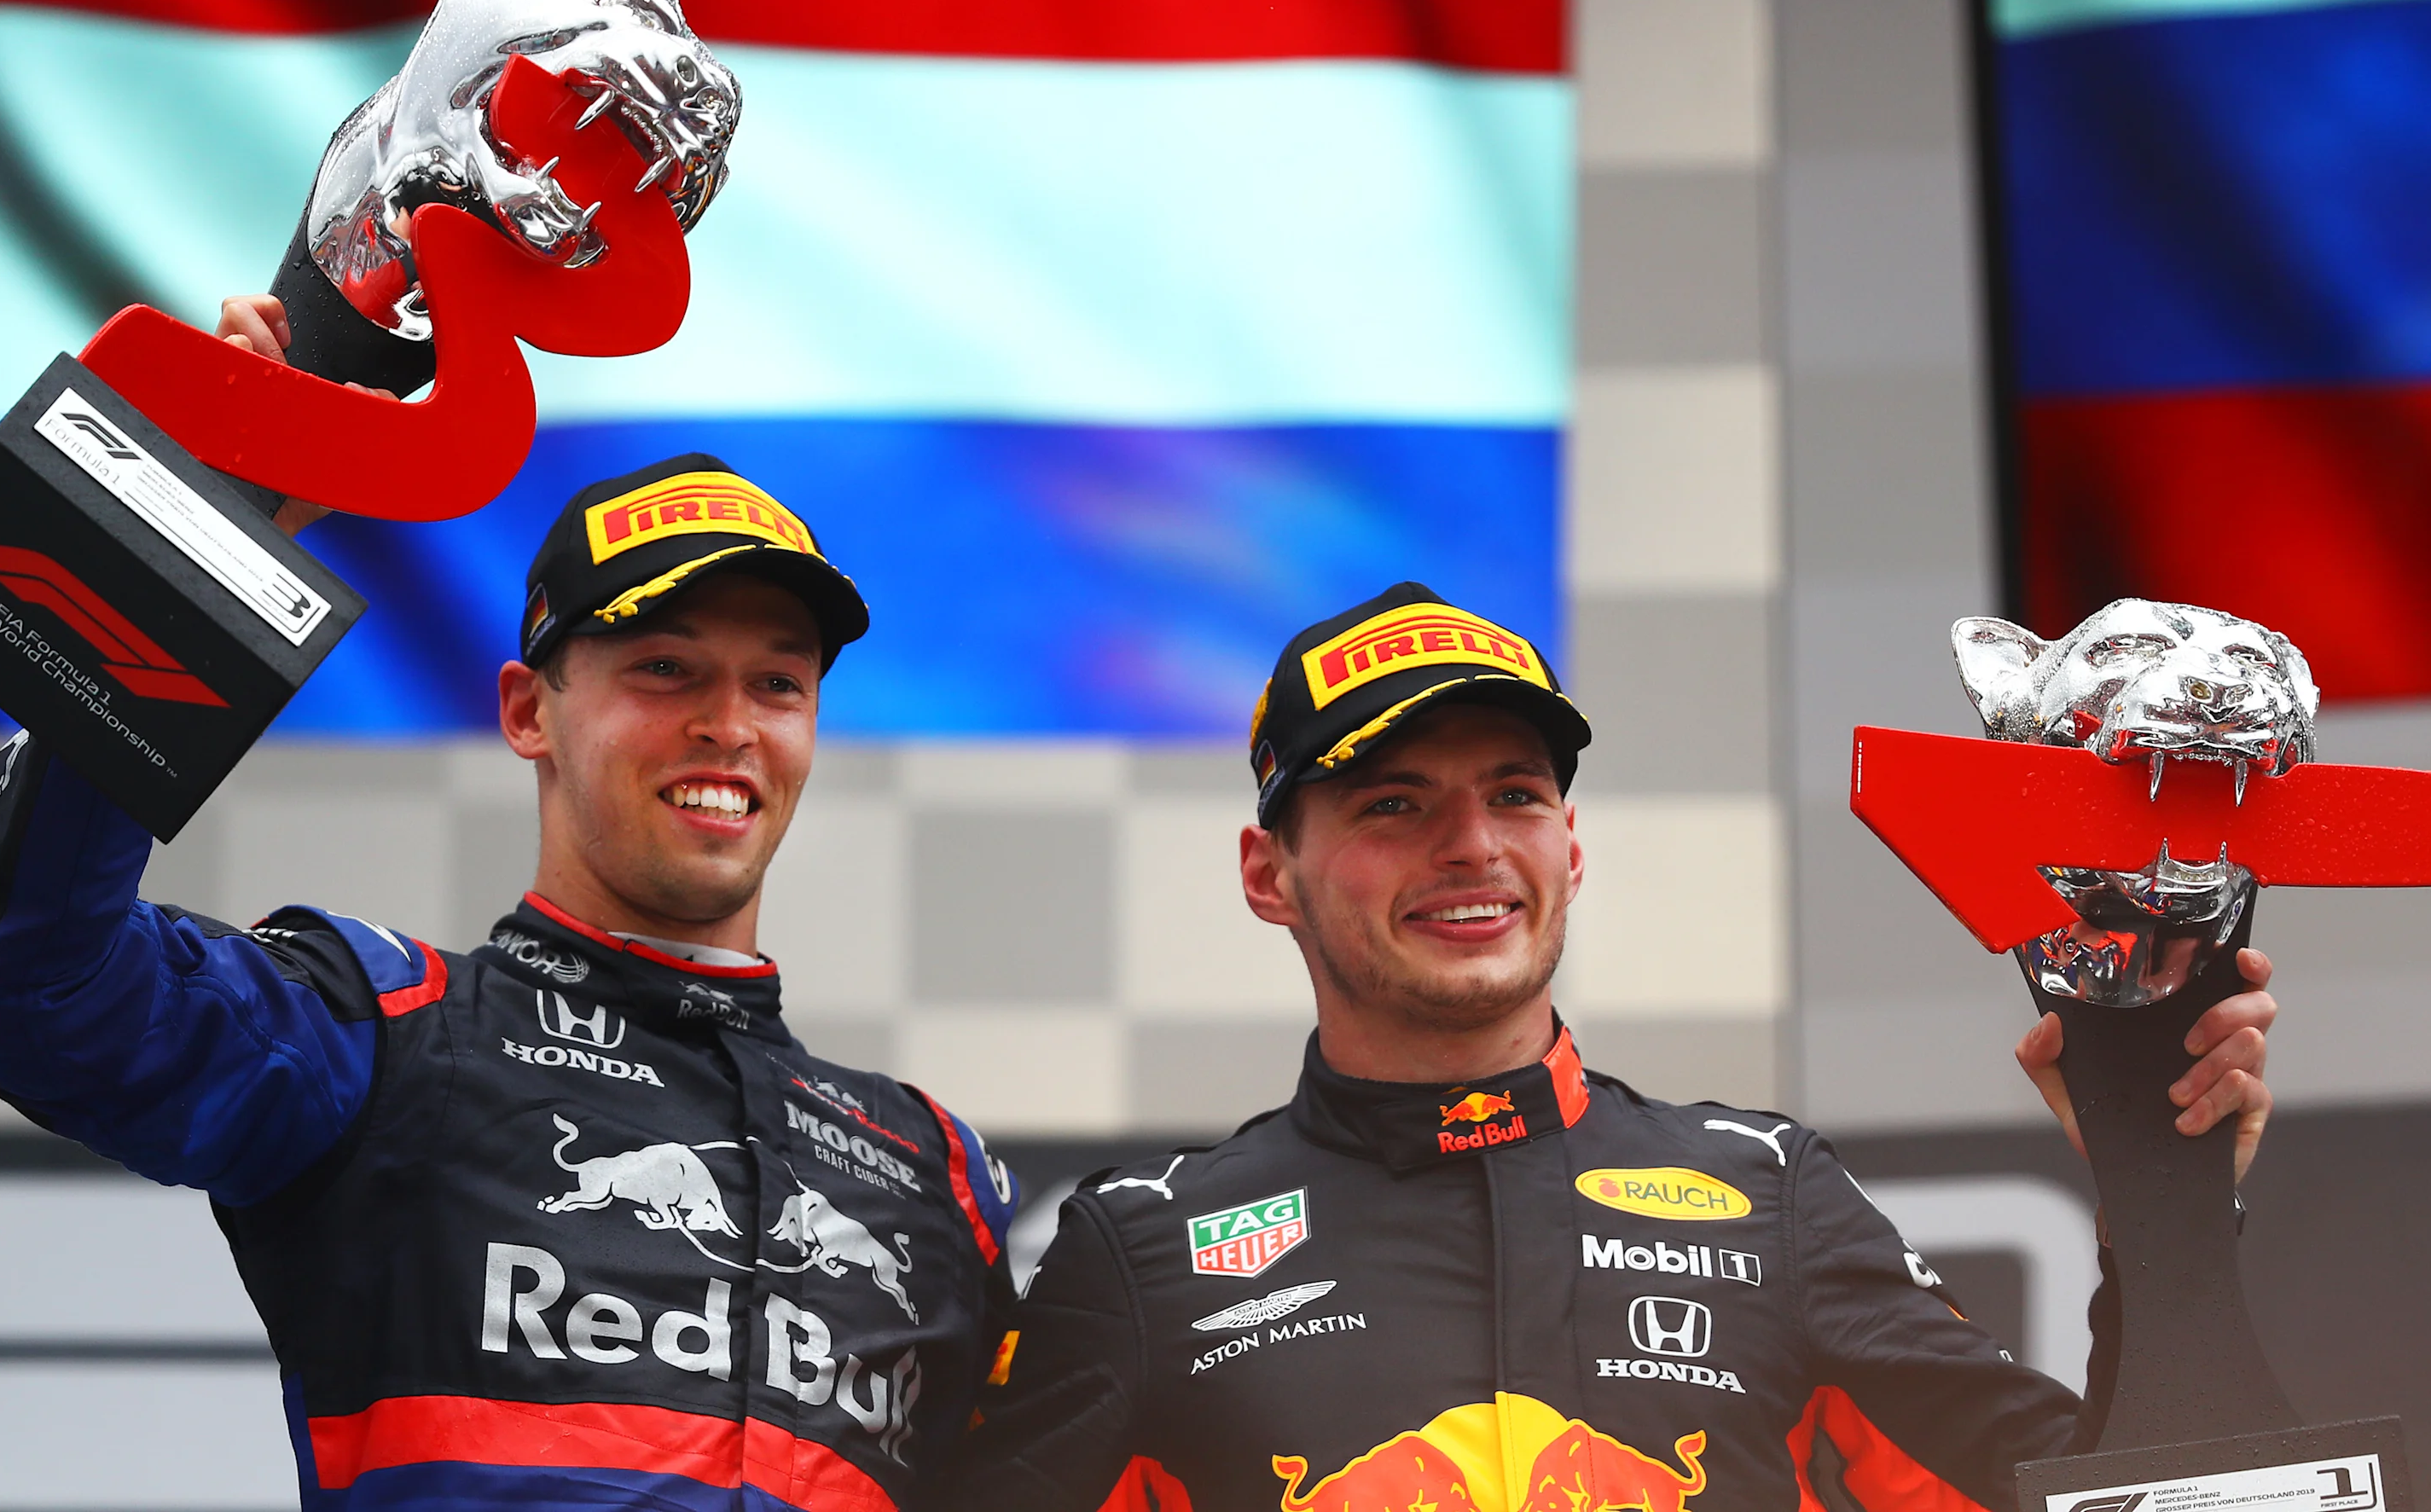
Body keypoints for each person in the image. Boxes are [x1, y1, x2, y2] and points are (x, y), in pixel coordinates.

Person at [0, 339, 1017, 1511]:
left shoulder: (932, 1171)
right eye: (664, 667)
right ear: (526, 710)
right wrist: (187, 537)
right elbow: (35, 976)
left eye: (778, 684)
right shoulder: (383, 1034)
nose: (728, 725)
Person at [927, 582, 2277, 1512]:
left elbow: (2121, 1499)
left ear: (1569, 849)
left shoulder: (1770, 1193)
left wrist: (2162, 1218)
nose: (1471, 845)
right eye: (1394, 802)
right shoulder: (1144, 1253)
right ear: (1268, 872)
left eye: (1515, 793)